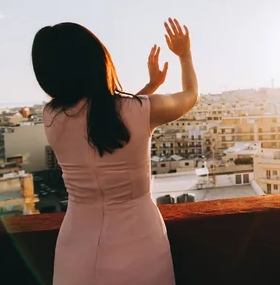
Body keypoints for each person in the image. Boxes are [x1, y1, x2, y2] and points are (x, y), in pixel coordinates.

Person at [31, 18, 199, 285]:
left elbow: (101, 116)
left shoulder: (51, 117)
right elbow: (189, 95)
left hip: (75, 249)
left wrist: (149, 88)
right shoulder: (138, 111)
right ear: (97, 60)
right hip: (139, 245)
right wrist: (185, 55)